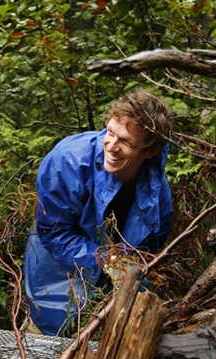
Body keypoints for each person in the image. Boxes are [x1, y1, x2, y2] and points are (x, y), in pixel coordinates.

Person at [24, 89, 175, 336]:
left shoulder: (158, 197)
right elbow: (54, 233)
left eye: (125, 141)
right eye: (110, 132)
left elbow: (149, 251)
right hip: (54, 283)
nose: (111, 146)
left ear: (150, 152)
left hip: (113, 301)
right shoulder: (68, 162)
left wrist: (132, 275)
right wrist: (109, 260)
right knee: (43, 357)